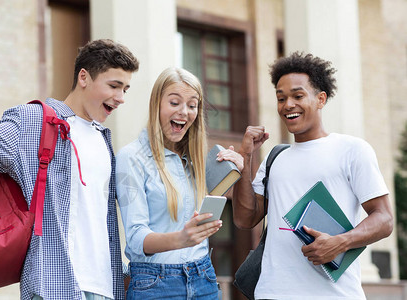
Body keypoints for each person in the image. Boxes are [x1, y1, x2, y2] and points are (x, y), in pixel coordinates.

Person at [0, 31, 139, 300]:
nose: (121, 97)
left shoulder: (104, 141)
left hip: (106, 289)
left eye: (125, 89)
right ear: (83, 78)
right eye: (114, 86)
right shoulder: (34, 121)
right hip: (53, 287)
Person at [233, 52, 393, 299]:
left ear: (320, 99)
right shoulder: (275, 158)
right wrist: (245, 158)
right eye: (281, 98)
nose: (288, 105)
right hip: (273, 292)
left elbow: (384, 219)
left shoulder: (352, 150)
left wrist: (341, 242)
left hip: (335, 294)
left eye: (298, 96)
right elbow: (245, 219)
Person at [116, 67, 243, 299]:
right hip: (155, 284)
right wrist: (181, 239)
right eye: (174, 103)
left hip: (203, 277)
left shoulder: (195, 159)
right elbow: (135, 239)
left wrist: (236, 167)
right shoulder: (131, 157)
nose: (184, 112)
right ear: (157, 104)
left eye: (192, 105)